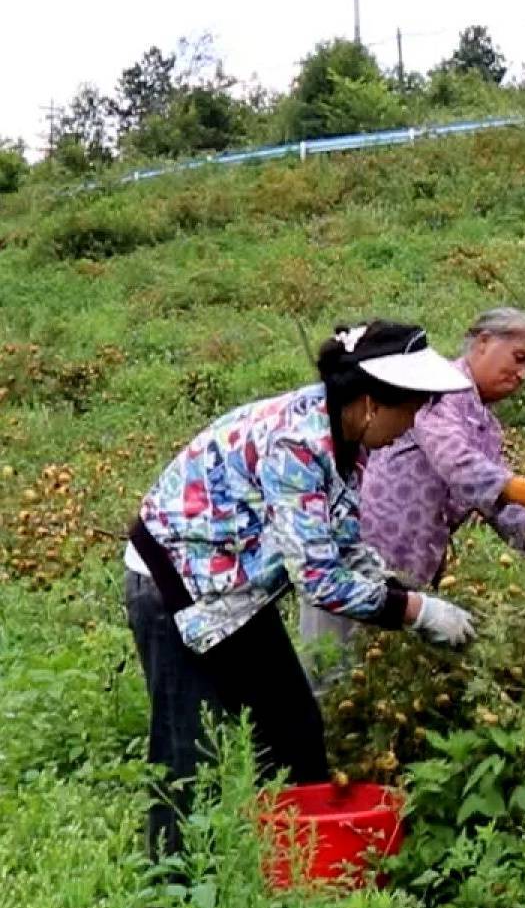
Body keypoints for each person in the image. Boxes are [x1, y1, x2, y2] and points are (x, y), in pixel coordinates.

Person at [125, 319, 478, 861]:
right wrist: (413, 610)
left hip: (239, 587)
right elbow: (318, 579)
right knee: (187, 749)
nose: (410, 427)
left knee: (293, 729)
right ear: (369, 405)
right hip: (177, 585)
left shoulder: (344, 440)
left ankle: (299, 863)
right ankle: (170, 899)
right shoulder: (298, 443)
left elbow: (339, 541)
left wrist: (392, 585)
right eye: (409, 410)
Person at [299, 308, 525, 658]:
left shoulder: (486, 426)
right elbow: (455, 461)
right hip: (363, 554)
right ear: (484, 342)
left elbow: (493, 497)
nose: (521, 375)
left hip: (411, 569)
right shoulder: (437, 389)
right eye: (518, 359)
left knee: (378, 671)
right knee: (332, 666)